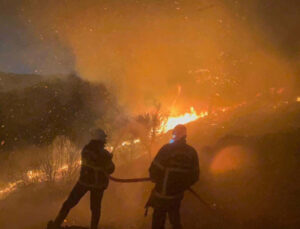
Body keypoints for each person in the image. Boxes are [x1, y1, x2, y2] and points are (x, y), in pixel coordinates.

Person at [47, 129, 115, 229]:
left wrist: (108, 161)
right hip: (85, 183)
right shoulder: (88, 151)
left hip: (95, 185)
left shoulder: (104, 153)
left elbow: (111, 169)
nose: (104, 142)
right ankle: (56, 224)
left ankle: (93, 227)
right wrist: (105, 159)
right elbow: (92, 162)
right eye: (103, 140)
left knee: (94, 209)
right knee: (69, 204)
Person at [146, 124, 199, 229]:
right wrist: (183, 185)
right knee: (175, 219)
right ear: (185, 136)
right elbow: (195, 176)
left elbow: (154, 170)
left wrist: (155, 178)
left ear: (174, 135)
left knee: (158, 220)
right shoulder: (191, 152)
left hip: (162, 194)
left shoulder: (167, 149)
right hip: (177, 195)